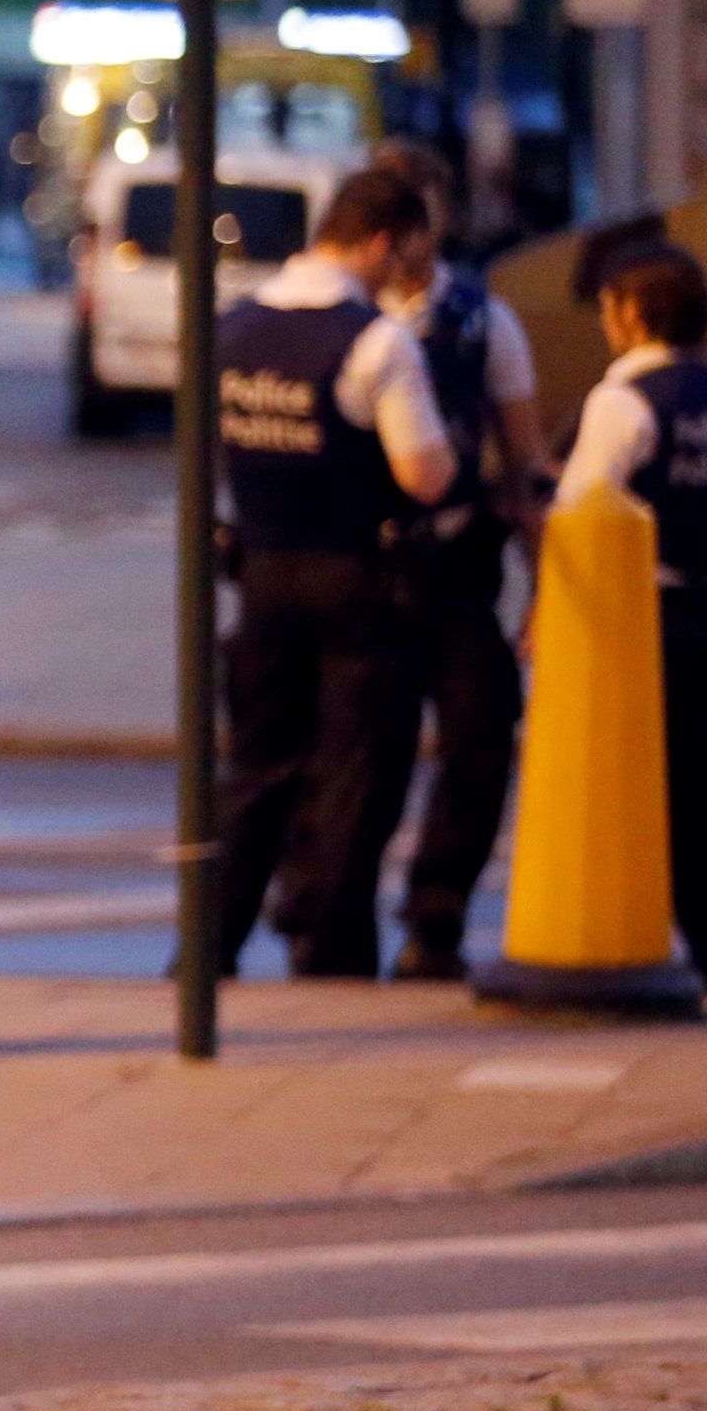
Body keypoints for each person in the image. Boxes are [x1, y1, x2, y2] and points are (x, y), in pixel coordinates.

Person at [210, 165, 460, 978]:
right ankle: (332, 948)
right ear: (382, 243)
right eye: (408, 254)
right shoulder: (377, 340)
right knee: (356, 773)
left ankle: (212, 944)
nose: (407, 272)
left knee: (257, 769)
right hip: (355, 577)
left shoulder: (233, 328)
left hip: (260, 573)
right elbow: (425, 474)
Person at [356, 137, 549, 981]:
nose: (406, 238)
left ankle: (434, 920)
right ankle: (331, 922)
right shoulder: (343, 318)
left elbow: (525, 460)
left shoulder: (482, 319)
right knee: (364, 755)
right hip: (364, 570)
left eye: (420, 217)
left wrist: (542, 585)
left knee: (479, 736)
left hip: (456, 561)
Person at [553, 242, 707, 993]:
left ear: (634, 314)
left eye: (608, 306)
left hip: (645, 617)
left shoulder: (623, 401)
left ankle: (629, 944)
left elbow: (583, 510)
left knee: (635, 794)